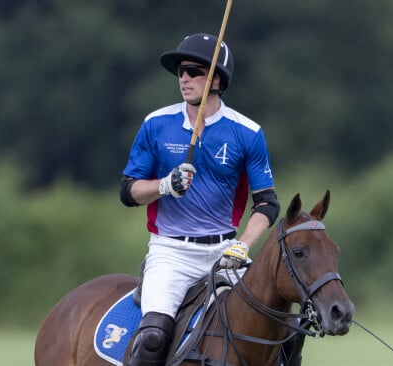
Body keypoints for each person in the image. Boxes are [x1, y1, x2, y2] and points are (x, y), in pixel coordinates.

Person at [119, 33, 280, 366]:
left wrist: (244, 244)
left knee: (276, 332)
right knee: (152, 338)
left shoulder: (247, 132)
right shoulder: (157, 124)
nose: (184, 78)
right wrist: (163, 185)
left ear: (217, 79)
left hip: (225, 253)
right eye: (181, 71)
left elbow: (267, 203)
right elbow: (128, 191)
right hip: (170, 253)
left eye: (194, 70)